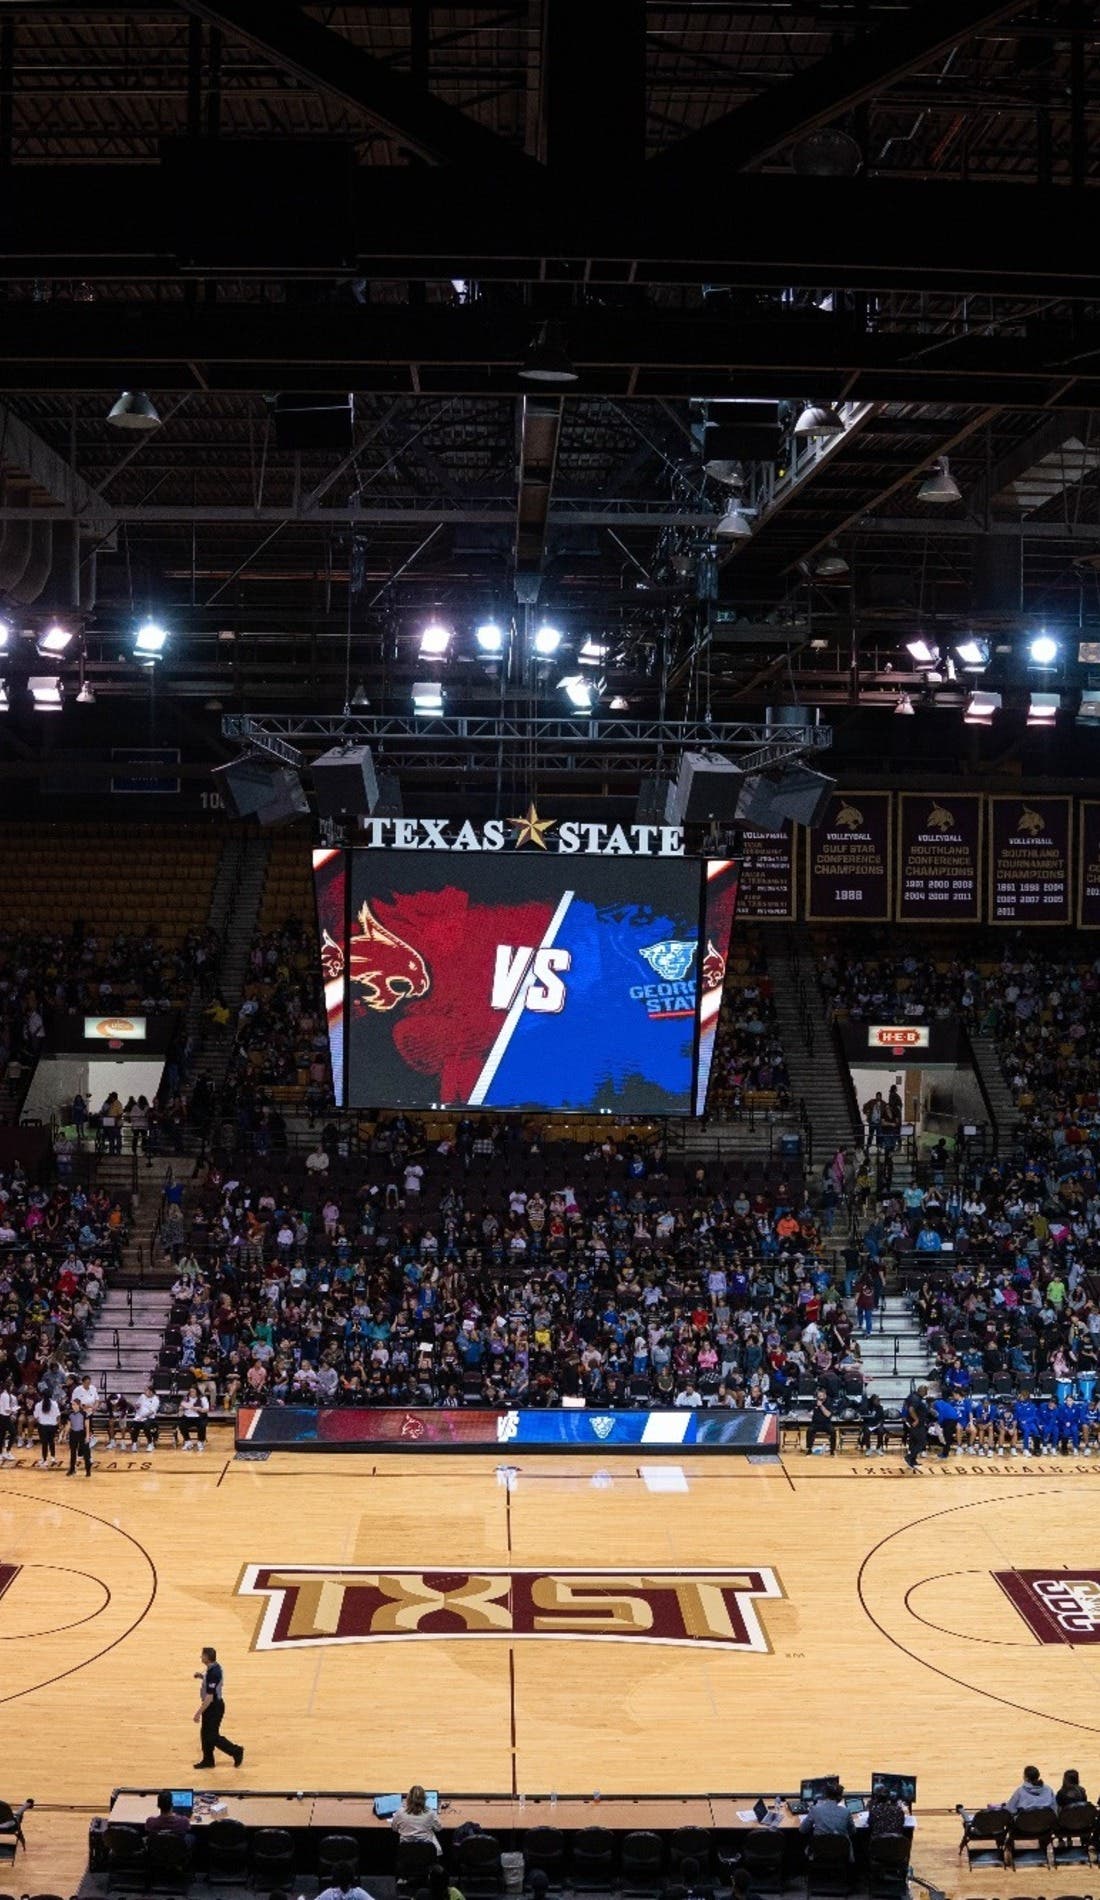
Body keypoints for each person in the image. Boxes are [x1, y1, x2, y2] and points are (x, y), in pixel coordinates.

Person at [193, 1644, 244, 1769]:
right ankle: (208, 1760)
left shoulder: (213, 1673)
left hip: (214, 1707)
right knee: (205, 1734)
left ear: (207, 1657)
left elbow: (210, 1697)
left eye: (202, 1655)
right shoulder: (213, 1668)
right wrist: (202, 1677)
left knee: (212, 1736)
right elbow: (213, 1683)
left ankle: (236, 1751)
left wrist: (198, 1713)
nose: (201, 1657)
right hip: (211, 1706)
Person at [799, 1780, 853, 1852]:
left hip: (818, 1853)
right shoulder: (846, 1812)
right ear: (840, 1798)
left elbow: (802, 1830)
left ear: (825, 1795)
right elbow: (853, 1831)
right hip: (840, 1854)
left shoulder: (815, 1810)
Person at [390, 1786, 442, 1854]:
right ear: (425, 1799)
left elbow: (394, 1828)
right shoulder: (430, 1813)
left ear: (408, 1798)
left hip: (406, 1853)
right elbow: (438, 1828)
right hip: (427, 1854)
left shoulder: (400, 1812)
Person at [903, 1385, 930, 1471]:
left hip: (912, 1423)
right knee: (922, 1442)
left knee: (914, 1442)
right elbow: (911, 1409)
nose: (926, 1394)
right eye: (925, 1392)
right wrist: (916, 1419)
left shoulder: (912, 1396)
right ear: (921, 1391)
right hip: (917, 1424)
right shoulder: (916, 1399)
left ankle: (913, 1461)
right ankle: (909, 1457)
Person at [66, 1390, 92, 1477]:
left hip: (82, 1434)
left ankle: (88, 1470)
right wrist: (65, 1434)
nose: (72, 1406)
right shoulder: (70, 1414)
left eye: (74, 1404)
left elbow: (87, 1425)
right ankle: (72, 1469)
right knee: (73, 1452)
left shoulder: (84, 1414)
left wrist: (87, 1436)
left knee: (85, 1453)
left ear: (78, 1405)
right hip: (73, 1434)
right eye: (72, 1404)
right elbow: (69, 1425)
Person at [33, 1391, 61, 1467]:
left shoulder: (38, 1405)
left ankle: (44, 1459)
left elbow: (35, 1417)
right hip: (52, 1426)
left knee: (44, 1443)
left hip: (42, 1426)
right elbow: (58, 1415)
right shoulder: (54, 1404)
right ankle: (53, 1458)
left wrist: (39, 1421)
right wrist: (57, 1424)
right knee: (51, 1441)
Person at [806, 1388, 837, 1456]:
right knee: (809, 1430)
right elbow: (809, 1415)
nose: (820, 1398)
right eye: (819, 1396)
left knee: (833, 1431)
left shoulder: (830, 1402)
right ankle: (809, 1449)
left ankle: (832, 1449)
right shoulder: (813, 1403)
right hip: (815, 1423)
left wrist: (821, 1406)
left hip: (826, 1424)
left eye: (821, 1396)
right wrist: (810, 1413)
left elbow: (828, 1414)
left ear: (825, 1395)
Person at [129, 1384, 160, 1452]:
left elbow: (152, 1412)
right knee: (134, 1427)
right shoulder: (142, 1396)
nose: (145, 1391)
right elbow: (137, 1405)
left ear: (151, 1392)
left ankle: (150, 1443)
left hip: (150, 1418)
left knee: (146, 1427)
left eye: (147, 1390)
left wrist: (142, 1417)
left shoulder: (156, 1399)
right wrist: (136, 1406)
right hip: (139, 1417)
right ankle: (134, 1443)